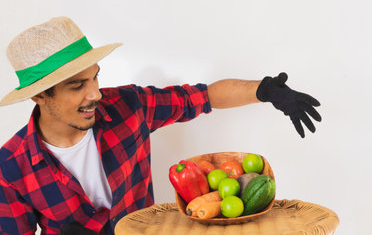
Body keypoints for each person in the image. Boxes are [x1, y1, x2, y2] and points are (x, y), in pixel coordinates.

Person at [0, 17, 321, 234]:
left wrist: (265, 90)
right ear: (40, 95)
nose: (95, 93)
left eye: (95, 76)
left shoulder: (128, 106)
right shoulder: (11, 168)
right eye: (76, 86)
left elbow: (203, 96)